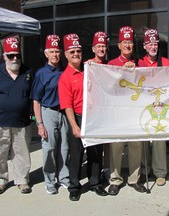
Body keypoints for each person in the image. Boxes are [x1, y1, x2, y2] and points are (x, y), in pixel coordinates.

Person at [58, 33, 108, 201]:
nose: (76, 54)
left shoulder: (89, 68)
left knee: (95, 151)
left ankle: (95, 183)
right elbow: (67, 105)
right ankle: (74, 186)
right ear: (66, 54)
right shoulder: (65, 78)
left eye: (78, 51)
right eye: (72, 52)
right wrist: (74, 126)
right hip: (78, 117)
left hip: (94, 116)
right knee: (76, 154)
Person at [0, 36, 33, 194]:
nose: (15, 58)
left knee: (22, 153)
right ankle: (0, 181)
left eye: (17, 55)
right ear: (4, 56)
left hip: (21, 122)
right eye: (11, 55)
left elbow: (31, 94)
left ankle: (22, 180)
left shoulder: (28, 72)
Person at [107, 26, 146, 195]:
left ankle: (134, 179)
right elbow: (107, 88)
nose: (128, 46)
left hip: (135, 112)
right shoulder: (112, 64)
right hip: (118, 113)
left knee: (136, 146)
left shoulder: (141, 63)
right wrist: (122, 72)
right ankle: (115, 180)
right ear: (119, 45)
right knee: (116, 146)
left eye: (130, 42)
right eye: (124, 42)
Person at [31, 34, 70, 195]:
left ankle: (64, 177)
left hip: (64, 112)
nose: (55, 55)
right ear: (46, 54)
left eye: (57, 51)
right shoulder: (42, 73)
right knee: (49, 148)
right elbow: (36, 100)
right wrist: (39, 123)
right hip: (49, 112)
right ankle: (49, 180)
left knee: (64, 148)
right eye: (52, 51)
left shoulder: (64, 70)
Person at [138, 28, 169, 186]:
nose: (153, 47)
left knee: (159, 139)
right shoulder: (139, 63)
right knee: (143, 138)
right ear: (144, 46)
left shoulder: (166, 63)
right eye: (150, 44)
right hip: (143, 107)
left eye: (155, 44)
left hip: (161, 107)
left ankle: (160, 172)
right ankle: (144, 169)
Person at [87, 31, 110, 181]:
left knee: (107, 144)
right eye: (98, 46)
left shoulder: (110, 66)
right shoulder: (88, 65)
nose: (101, 49)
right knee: (94, 146)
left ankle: (106, 171)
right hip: (93, 110)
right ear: (93, 49)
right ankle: (93, 175)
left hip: (107, 110)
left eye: (104, 46)